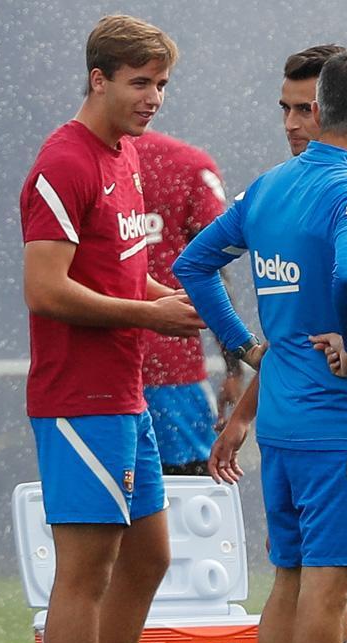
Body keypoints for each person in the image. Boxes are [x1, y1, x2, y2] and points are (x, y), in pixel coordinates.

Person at [174, 51, 347, 643]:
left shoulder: (268, 187)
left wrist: (243, 344)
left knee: (288, 585)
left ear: (319, 111)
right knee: (328, 593)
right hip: (337, 425)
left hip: (283, 428)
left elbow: (193, 265)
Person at [215, 44, 347, 643]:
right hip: (306, 407)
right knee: (318, 571)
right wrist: (250, 407)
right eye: (285, 108)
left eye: (305, 109)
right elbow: (293, 333)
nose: (292, 124)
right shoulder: (293, 187)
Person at [18, 15, 204, 643]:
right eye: (140, 83)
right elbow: (44, 289)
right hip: (79, 396)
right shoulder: (63, 161)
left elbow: (120, 271)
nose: (153, 97)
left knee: (149, 556)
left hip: (126, 394)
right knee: (85, 572)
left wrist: (168, 297)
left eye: (162, 84)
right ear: (98, 80)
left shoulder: (123, 153)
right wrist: (150, 316)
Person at [132, 130, 244, 476]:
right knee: (187, 506)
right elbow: (212, 271)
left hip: (99, 379)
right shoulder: (188, 165)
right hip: (171, 371)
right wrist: (235, 366)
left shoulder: (69, 163)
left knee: (109, 510)